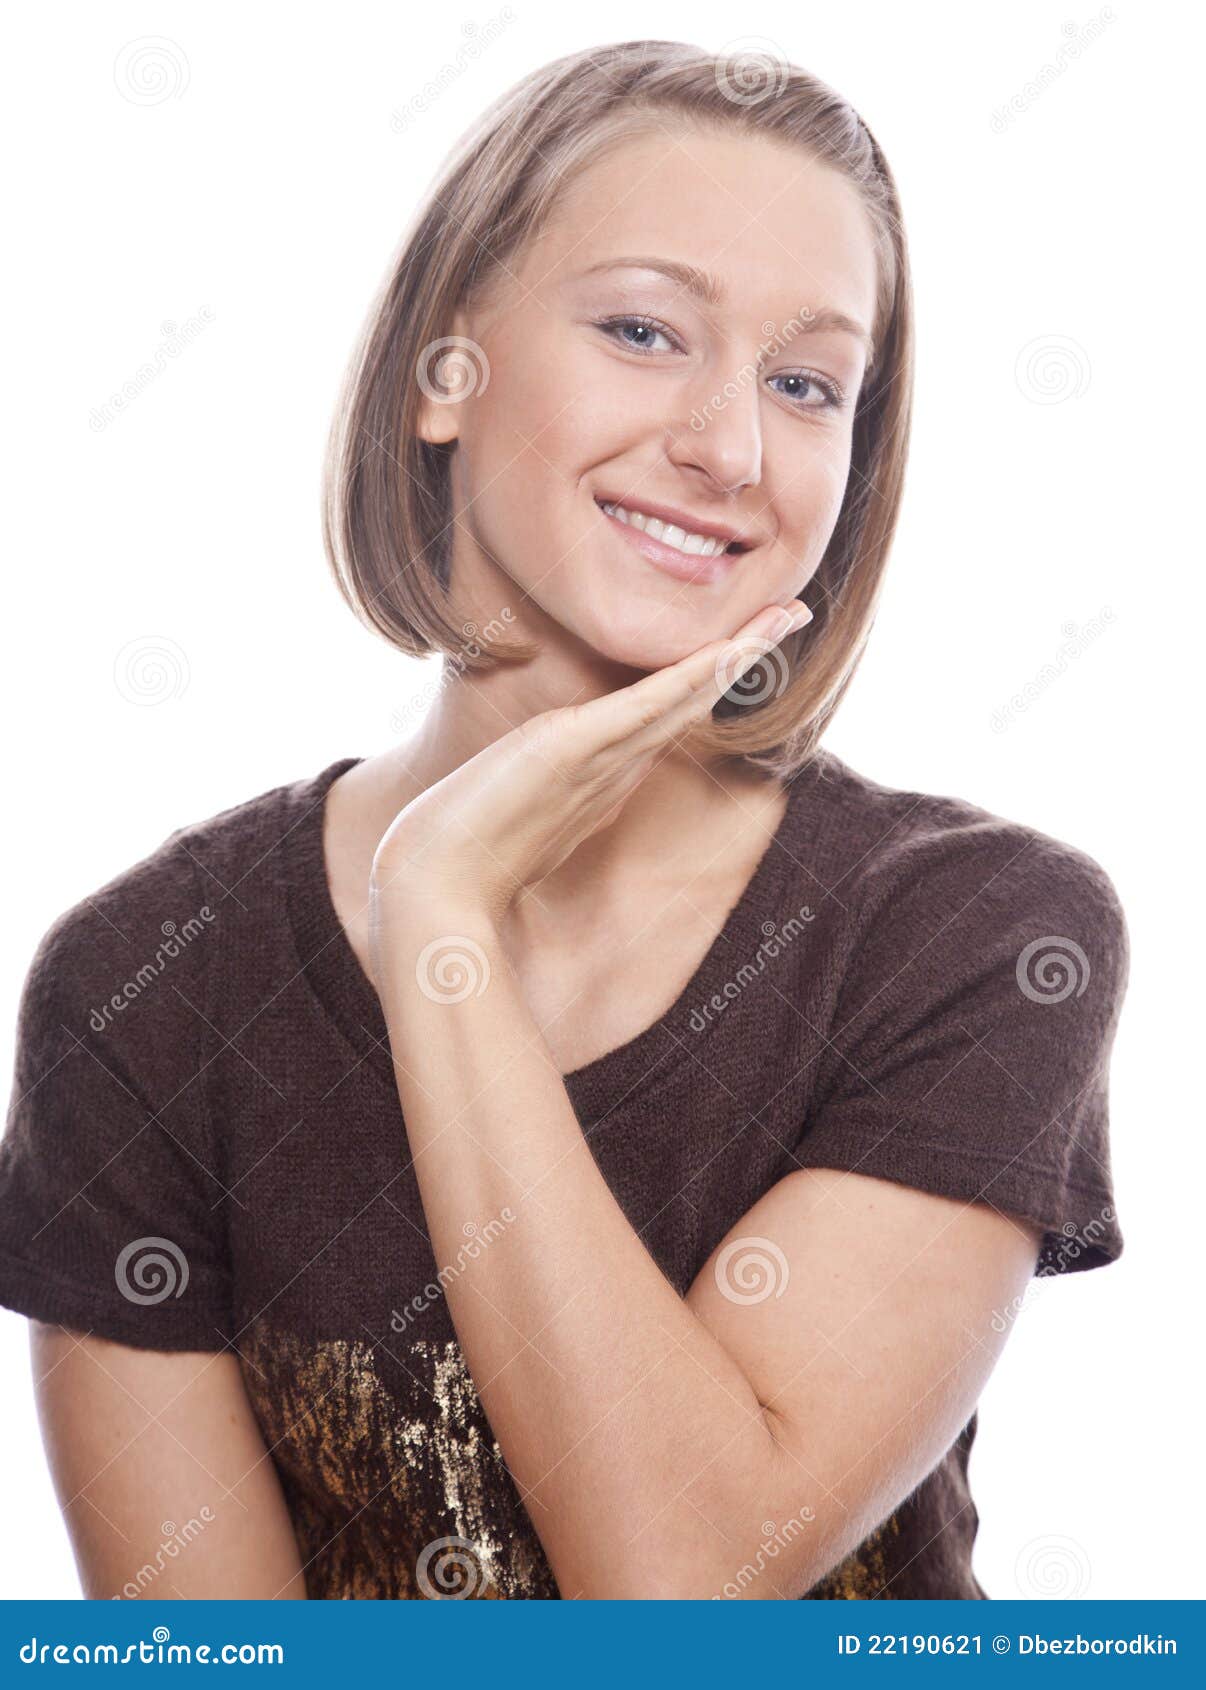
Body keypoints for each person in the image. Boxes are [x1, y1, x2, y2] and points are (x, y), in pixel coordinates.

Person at [0, 40, 1128, 1601]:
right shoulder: (149, 982)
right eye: (643, 331)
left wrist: (439, 911)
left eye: (804, 384)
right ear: (440, 376)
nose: (729, 448)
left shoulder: (975, 932)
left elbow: (684, 1589)